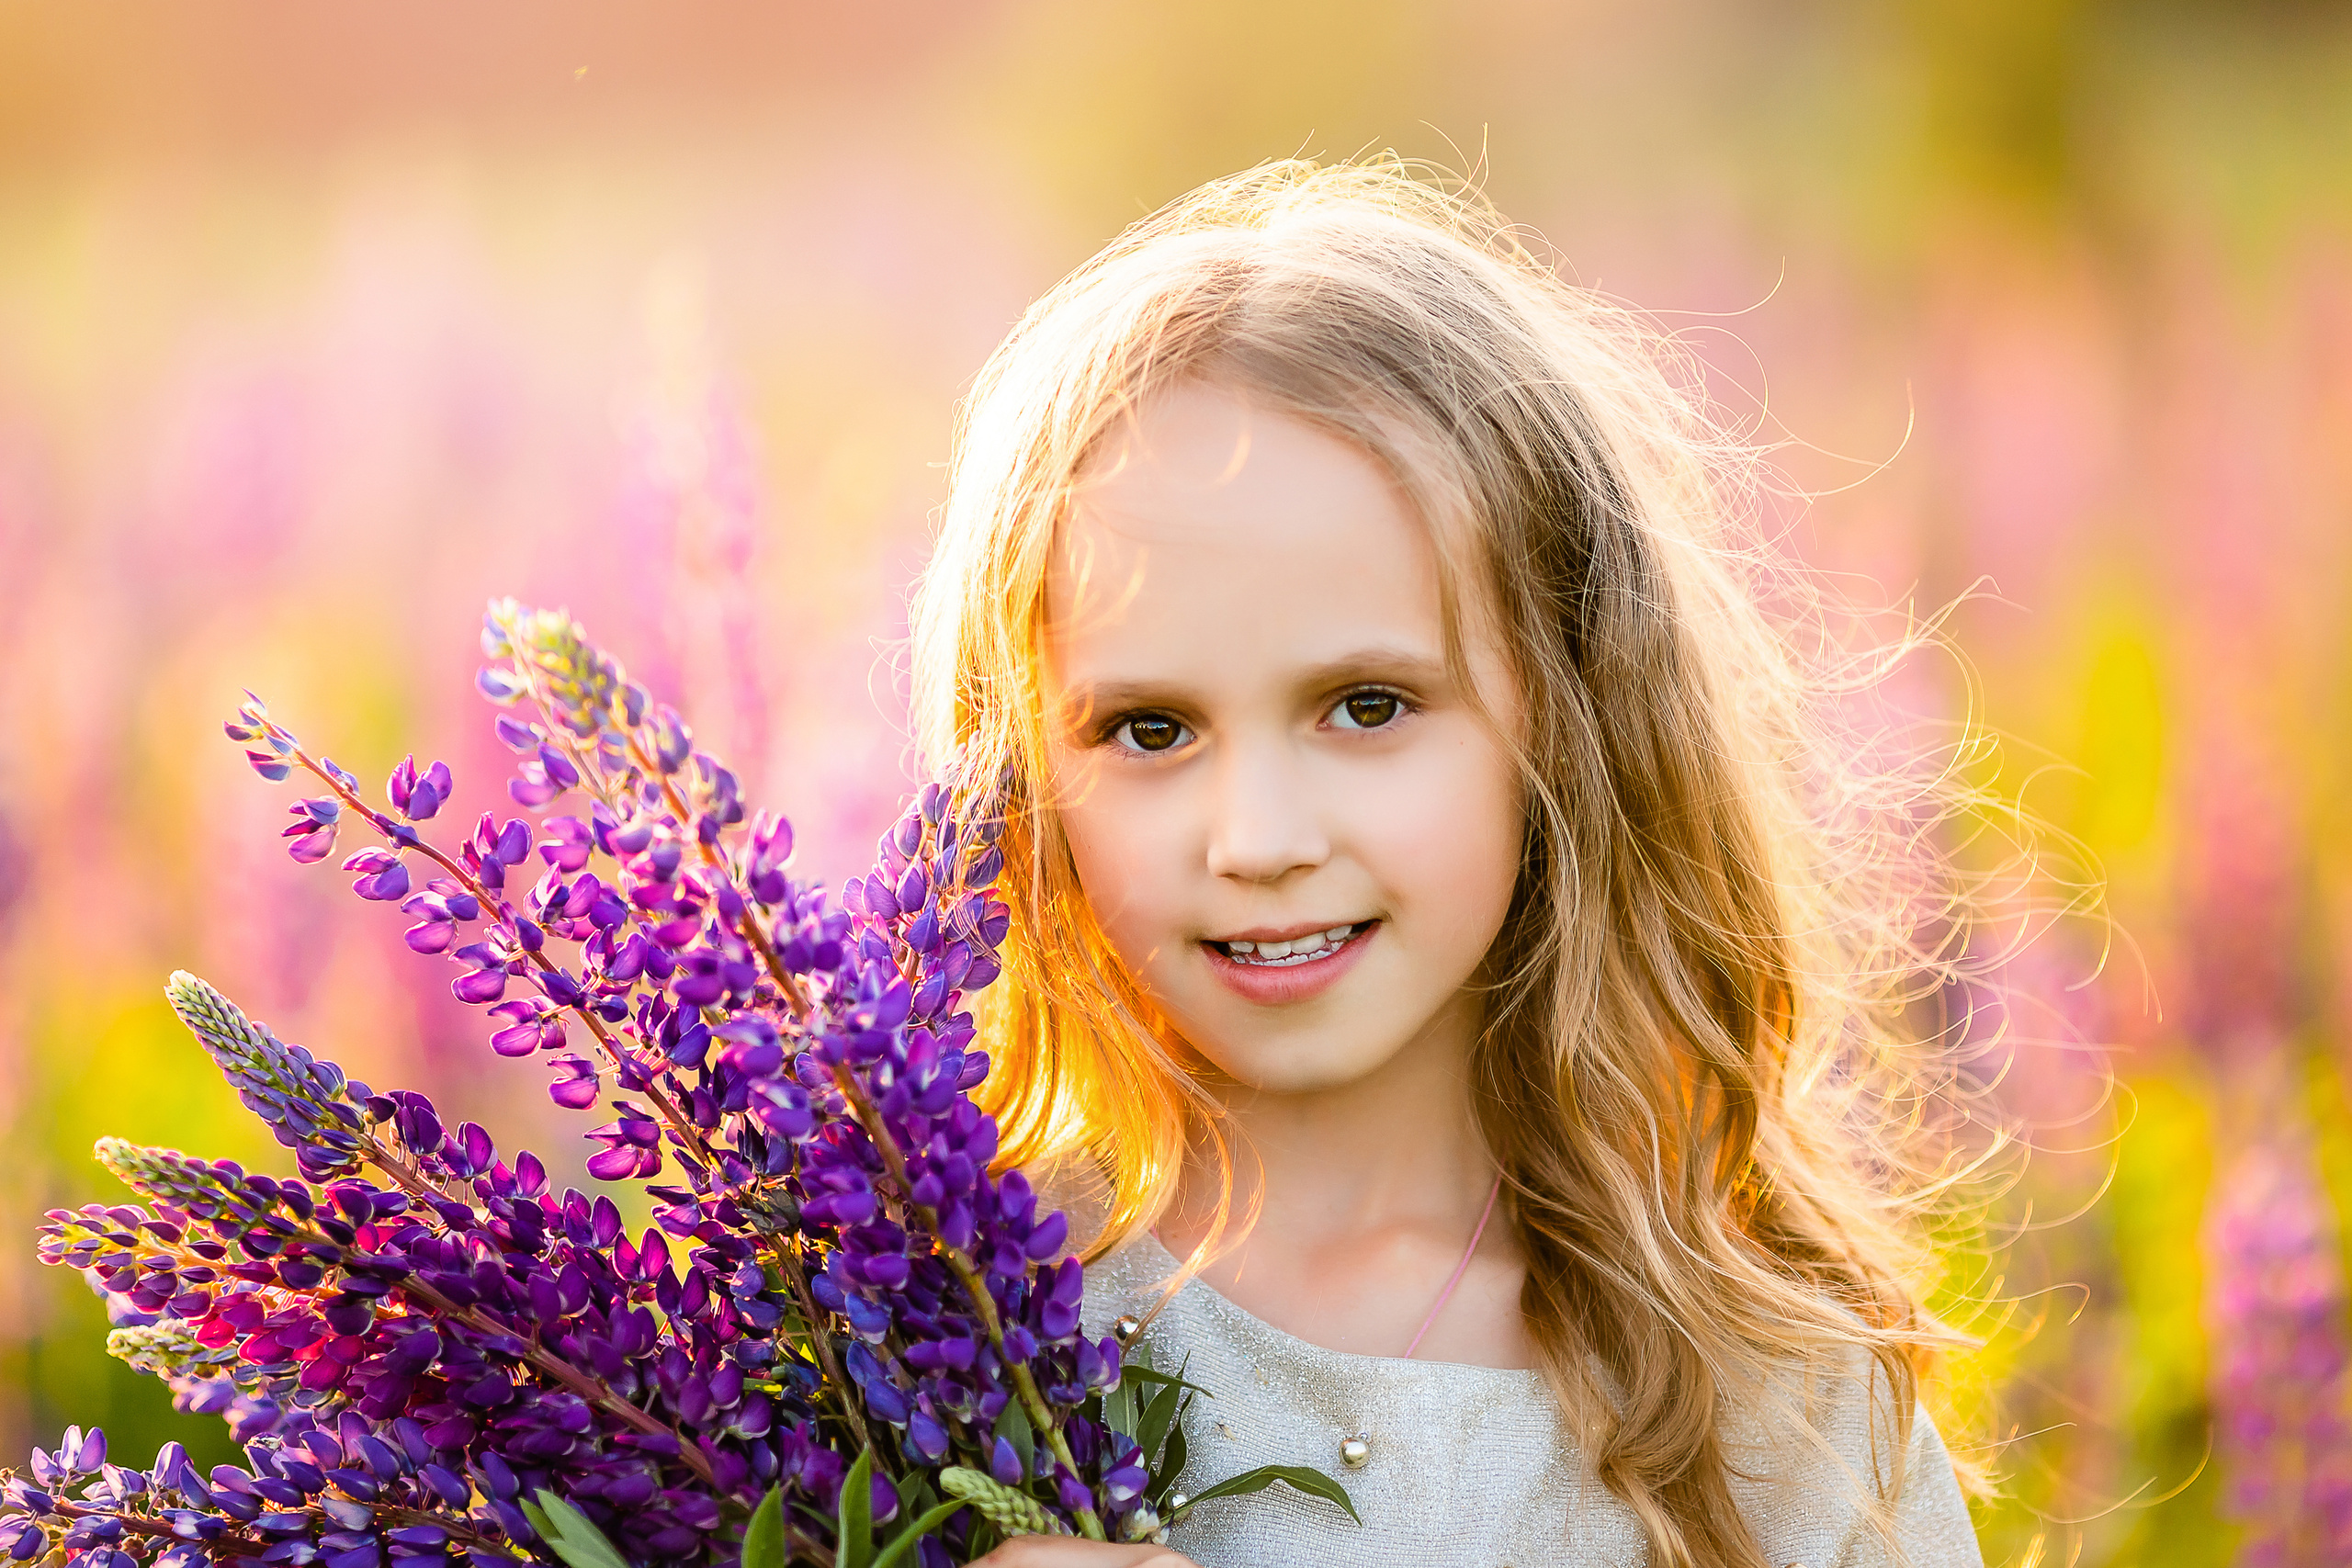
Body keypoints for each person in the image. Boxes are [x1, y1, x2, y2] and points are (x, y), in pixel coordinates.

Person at [907, 158, 1992, 1567]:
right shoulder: (927, 1315)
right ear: (1024, 775)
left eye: (1368, 705)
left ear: (1569, 714)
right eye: (1150, 727)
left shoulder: (1773, 1400)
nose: (1262, 841)